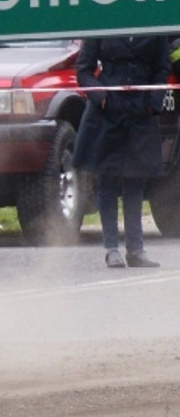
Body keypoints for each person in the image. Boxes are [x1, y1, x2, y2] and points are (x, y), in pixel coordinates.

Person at [73, 33, 178, 268]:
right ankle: (111, 248)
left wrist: (154, 101)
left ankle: (136, 249)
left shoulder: (153, 28)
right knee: (107, 179)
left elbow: (162, 69)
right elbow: (84, 70)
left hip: (141, 110)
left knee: (135, 180)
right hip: (107, 111)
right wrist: (101, 97)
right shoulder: (103, 26)